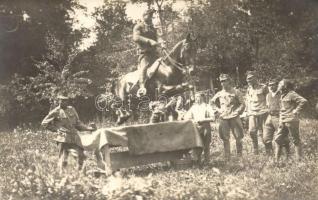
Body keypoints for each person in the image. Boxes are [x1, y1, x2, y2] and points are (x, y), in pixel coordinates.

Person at [41, 94, 96, 172]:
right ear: (58, 101)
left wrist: (88, 128)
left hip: (75, 138)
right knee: (63, 159)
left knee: (81, 156)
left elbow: (78, 123)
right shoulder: (55, 111)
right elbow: (44, 123)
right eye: (61, 100)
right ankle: (62, 176)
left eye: (65, 100)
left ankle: (81, 175)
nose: (63, 102)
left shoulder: (72, 109)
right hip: (63, 139)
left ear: (67, 101)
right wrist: (56, 129)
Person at [211, 74, 245, 160]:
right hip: (224, 118)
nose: (223, 83)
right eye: (221, 81)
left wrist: (237, 112)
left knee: (238, 137)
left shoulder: (236, 92)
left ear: (229, 81)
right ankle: (227, 157)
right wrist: (218, 110)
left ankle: (239, 156)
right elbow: (211, 102)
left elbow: (242, 104)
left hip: (234, 117)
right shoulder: (219, 93)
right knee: (225, 138)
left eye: (225, 81)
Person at [132, 9, 164, 97]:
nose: (150, 18)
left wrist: (162, 43)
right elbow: (136, 37)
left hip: (155, 53)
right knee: (144, 66)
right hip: (144, 53)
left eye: (151, 16)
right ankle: (142, 87)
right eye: (149, 16)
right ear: (144, 16)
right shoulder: (138, 26)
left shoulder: (153, 28)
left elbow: (158, 37)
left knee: (163, 65)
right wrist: (149, 41)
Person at [275, 79, 307, 162]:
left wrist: (296, 110)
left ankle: (299, 161)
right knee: (278, 140)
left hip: (292, 120)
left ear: (285, 86)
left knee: (295, 140)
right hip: (283, 120)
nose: (278, 86)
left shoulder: (291, 94)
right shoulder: (282, 95)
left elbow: (303, 101)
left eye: (280, 84)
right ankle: (276, 161)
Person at [184, 92, 215, 163]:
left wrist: (203, 119)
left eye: (198, 97)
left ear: (202, 97)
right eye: (196, 97)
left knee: (206, 145)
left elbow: (213, 118)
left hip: (205, 127)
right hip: (196, 128)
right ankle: (198, 162)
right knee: (197, 145)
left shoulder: (207, 106)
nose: (196, 98)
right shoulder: (194, 107)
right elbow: (186, 116)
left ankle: (207, 161)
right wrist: (191, 119)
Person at [263, 79, 290, 157]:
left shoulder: (282, 94)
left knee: (282, 138)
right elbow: (268, 106)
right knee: (266, 138)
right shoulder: (268, 95)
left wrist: (282, 119)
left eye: (273, 85)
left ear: (277, 85)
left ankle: (287, 156)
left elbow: (285, 107)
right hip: (270, 117)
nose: (271, 86)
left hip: (279, 117)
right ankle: (270, 156)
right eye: (269, 85)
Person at [245, 71, 268, 154]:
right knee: (251, 131)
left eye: (250, 78)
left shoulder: (263, 87)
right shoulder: (249, 88)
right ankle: (255, 149)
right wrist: (247, 111)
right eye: (247, 79)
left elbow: (268, 99)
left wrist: (268, 110)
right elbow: (248, 100)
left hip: (263, 112)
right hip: (252, 113)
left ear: (255, 77)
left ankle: (268, 149)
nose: (248, 80)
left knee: (265, 132)